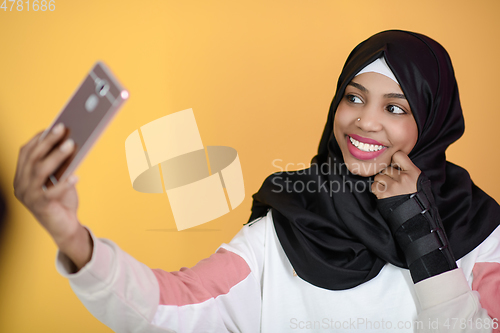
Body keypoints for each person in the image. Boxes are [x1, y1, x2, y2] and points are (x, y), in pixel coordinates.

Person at [14, 30, 500, 332]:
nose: (364, 122)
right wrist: (70, 236)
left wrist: (417, 227)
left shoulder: (481, 234)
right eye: (353, 98)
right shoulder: (292, 220)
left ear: (433, 122)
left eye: (395, 108)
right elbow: (175, 308)